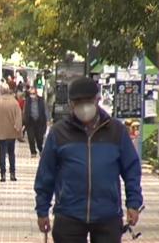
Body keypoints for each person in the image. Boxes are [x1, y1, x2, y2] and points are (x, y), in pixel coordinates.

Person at [34, 76, 143, 243]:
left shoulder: (116, 131)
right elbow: (45, 174)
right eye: (78, 102)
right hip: (69, 213)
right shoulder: (59, 133)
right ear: (71, 104)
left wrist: (133, 203)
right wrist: (42, 211)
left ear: (97, 99)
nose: (84, 106)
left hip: (107, 214)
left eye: (88, 100)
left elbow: (131, 169)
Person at [23, 87, 48, 157]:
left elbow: (45, 110)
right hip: (30, 121)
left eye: (33, 93)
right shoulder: (27, 101)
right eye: (30, 94)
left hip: (40, 122)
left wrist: (47, 120)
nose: (32, 95)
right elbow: (24, 111)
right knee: (31, 138)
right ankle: (33, 152)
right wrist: (24, 121)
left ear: (36, 93)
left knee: (39, 138)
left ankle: (40, 149)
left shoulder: (41, 100)